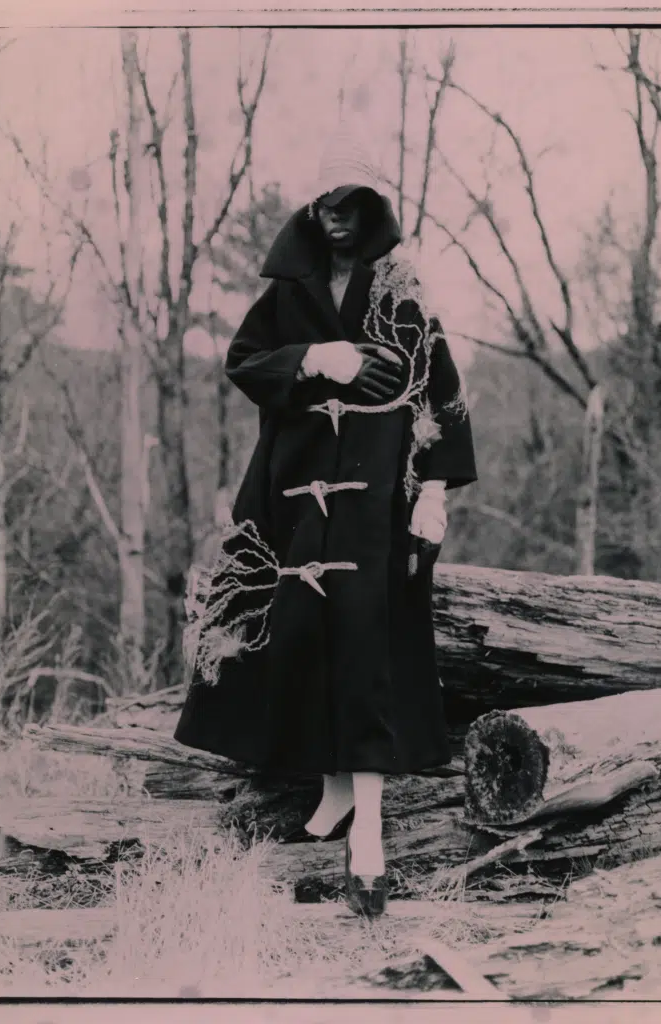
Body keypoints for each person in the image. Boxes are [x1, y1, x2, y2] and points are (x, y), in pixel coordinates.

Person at [174, 125, 477, 918]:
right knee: (299, 633)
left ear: (375, 207)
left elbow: (440, 397)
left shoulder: (404, 294)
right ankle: (335, 785)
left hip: (380, 502)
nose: (336, 215)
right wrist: (314, 359)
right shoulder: (289, 292)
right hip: (290, 497)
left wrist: (435, 491)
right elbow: (243, 362)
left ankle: (368, 833)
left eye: (351, 202)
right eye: (324, 203)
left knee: (367, 649)